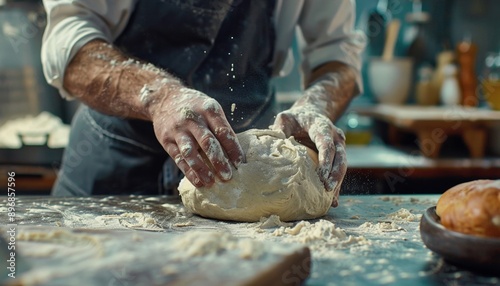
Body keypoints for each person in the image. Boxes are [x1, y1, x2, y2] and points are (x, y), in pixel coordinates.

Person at [41, 0, 366, 207]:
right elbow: (69, 43)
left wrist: (316, 106)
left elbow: (337, 52)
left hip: (251, 171)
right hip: (115, 162)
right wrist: (160, 96)